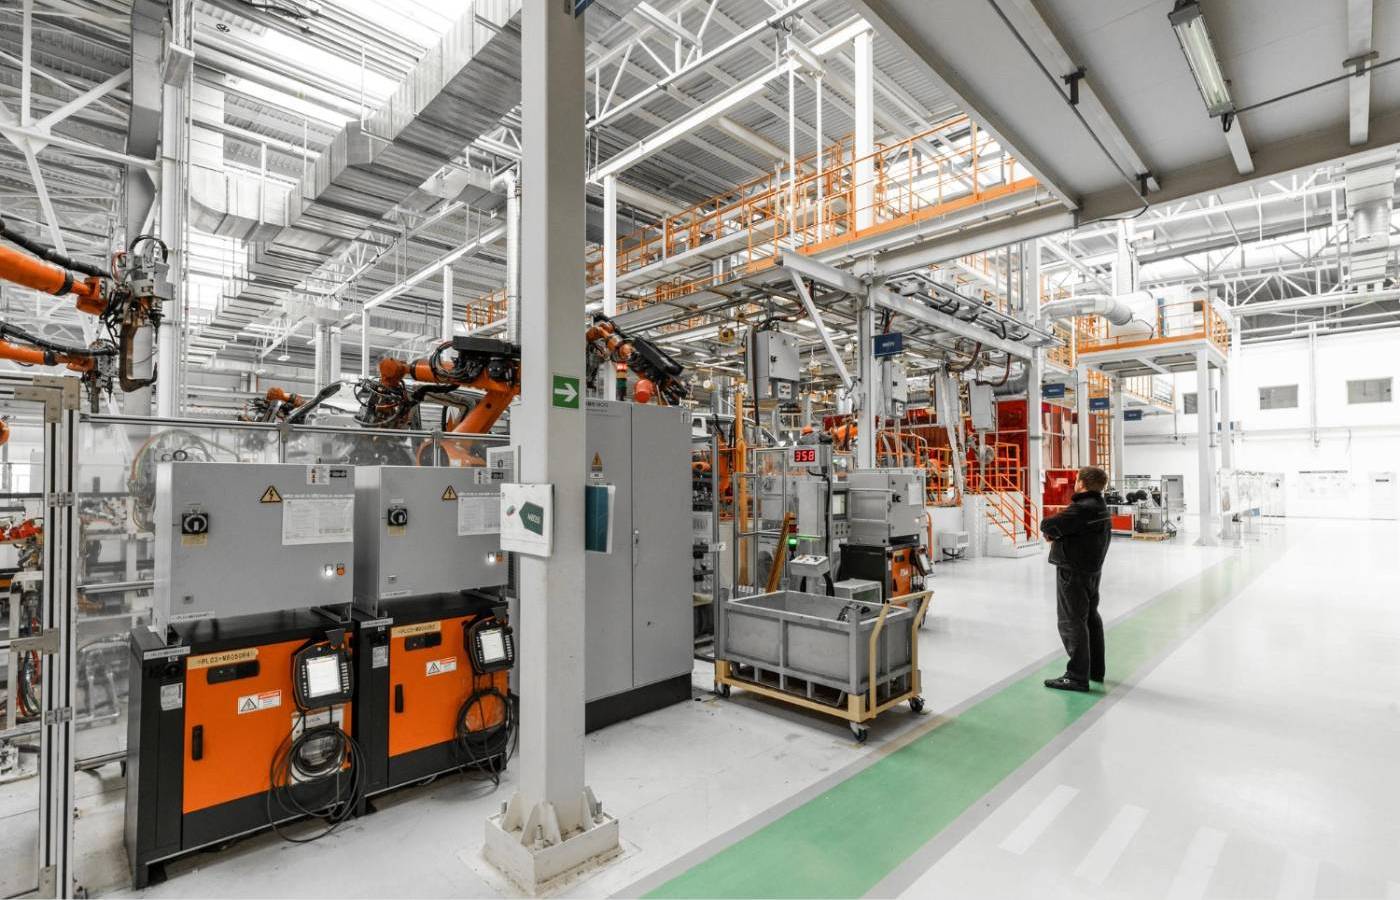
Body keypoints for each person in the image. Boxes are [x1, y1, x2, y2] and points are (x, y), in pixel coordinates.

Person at [1039, 466, 1112, 692]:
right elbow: (1073, 530)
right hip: (1091, 571)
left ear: (1082, 483)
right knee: (1090, 618)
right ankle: (1095, 669)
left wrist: (1052, 532)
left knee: (1071, 621)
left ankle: (1077, 676)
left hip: (1073, 572)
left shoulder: (1082, 508)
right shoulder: (1100, 506)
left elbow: (1049, 524)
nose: (1075, 482)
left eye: (1077, 479)